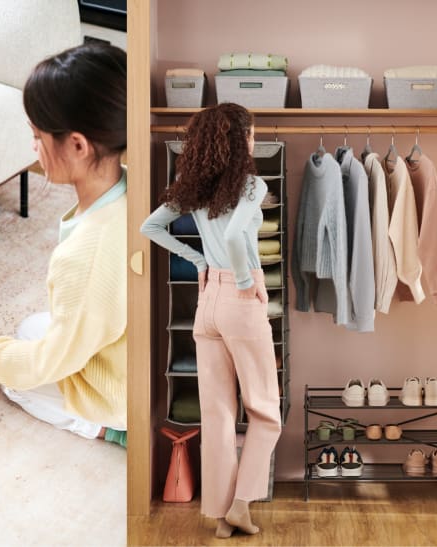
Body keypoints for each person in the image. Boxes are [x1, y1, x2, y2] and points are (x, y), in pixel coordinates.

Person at [0, 42, 128, 448]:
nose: (34, 147)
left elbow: (50, 361)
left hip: (122, 389)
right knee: (28, 330)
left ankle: (110, 428)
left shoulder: (88, 254)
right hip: (123, 352)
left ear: (78, 145)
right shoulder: (130, 188)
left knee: (17, 383)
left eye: (38, 136)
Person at [141, 103, 281, 538]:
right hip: (240, 297)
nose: (254, 141)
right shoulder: (252, 185)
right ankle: (241, 504)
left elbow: (151, 227)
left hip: (208, 303)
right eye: (252, 135)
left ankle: (221, 519)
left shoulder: (194, 187)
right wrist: (246, 279)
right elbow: (240, 234)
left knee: (217, 413)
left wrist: (200, 260)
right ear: (240, 142)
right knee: (265, 411)